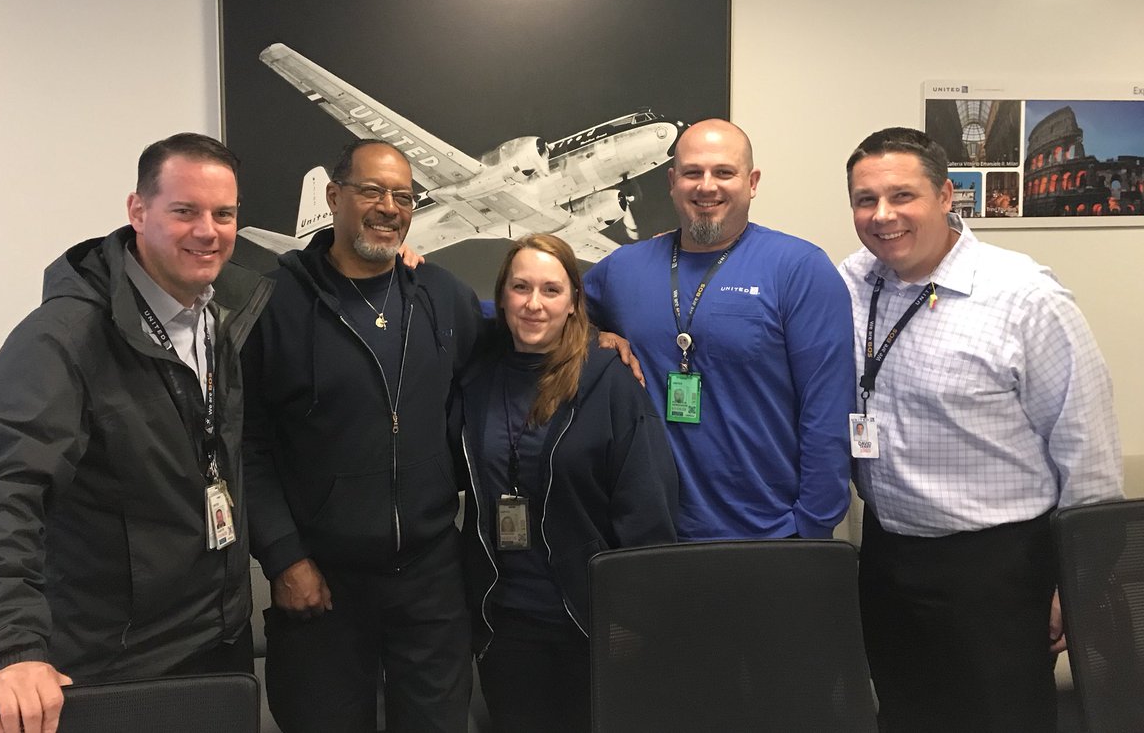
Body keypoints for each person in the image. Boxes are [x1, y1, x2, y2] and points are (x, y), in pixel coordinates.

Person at [0, 133, 272, 733]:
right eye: (184, 211)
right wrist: (6, 649)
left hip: (214, 646)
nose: (209, 231)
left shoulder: (217, 314)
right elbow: (2, 491)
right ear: (137, 210)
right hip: (117, 665)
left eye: (223, 214)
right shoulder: (61, 339)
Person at [839, 127, 1123, 733]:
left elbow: (1088, 451)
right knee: (904, 714)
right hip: (888, 552)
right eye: (866, 199)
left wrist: (1080, 583)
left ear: (947, 196)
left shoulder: (1023, 298)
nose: (882, 215)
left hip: (998, 568)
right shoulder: (852, 281)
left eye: (902, 196)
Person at [242, 140, 484, 733]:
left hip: (429, 578)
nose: (388, 207)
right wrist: (283, 557)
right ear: (334, 197)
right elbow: (244, 443)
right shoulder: (271, 302)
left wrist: (602, 337)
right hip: (320, 582)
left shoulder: (442, 295)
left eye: (402, 196)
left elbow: (520, 347)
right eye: (372, 190)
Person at [584, 118, 854, 541]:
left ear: (752, 182)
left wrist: (812, 528)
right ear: (672, 182)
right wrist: (592, 334)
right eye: (692, 173)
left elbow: (828, 412)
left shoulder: (799, 269)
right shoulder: (624, 267)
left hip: (770, 536)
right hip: (648, 536)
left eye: (724, 172)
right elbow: (541, 314)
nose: (706, 186)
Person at [457, 234, 679, 733]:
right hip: (504, 623)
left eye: (551, 290)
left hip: (590, 621)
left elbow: (648, 508)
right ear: (503, 296)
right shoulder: (477, 378)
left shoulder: (610, 380)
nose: (534, 303)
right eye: (521, 288)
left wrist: (636, 620)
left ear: (575, 301)